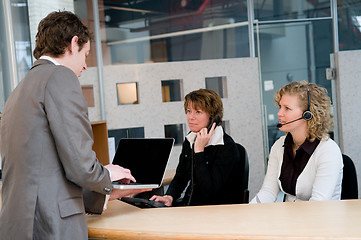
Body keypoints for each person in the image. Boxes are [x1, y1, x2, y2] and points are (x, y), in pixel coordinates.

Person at [0, 11, 149, 240]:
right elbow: (80, 165)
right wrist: (108, 176)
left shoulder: (20, 89)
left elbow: (46, 172)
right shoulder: (60, 77)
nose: (86, 66)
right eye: (86, 54)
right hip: (50, 225)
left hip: (20, 224)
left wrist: (106, 194)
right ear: (73, 43)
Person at [251, 81, 343, 203]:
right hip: (289, 219)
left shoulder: (328, 150)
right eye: (280, 107)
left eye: (287, 108)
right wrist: (248, 211)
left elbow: (318, 202)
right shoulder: (280, 145)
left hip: (320, 219)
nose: (279, 113)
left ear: (308, 115)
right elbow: (268, 192)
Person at [150, 89, 244, 206]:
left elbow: (209, 192)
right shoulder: (190, 139)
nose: (191, 117)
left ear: (213, 117)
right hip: (190, 206)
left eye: (198, 112)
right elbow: (181, 176)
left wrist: (199, 151)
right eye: (189, 111)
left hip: (215, 211)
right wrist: (170, 196)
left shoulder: (226, 147)